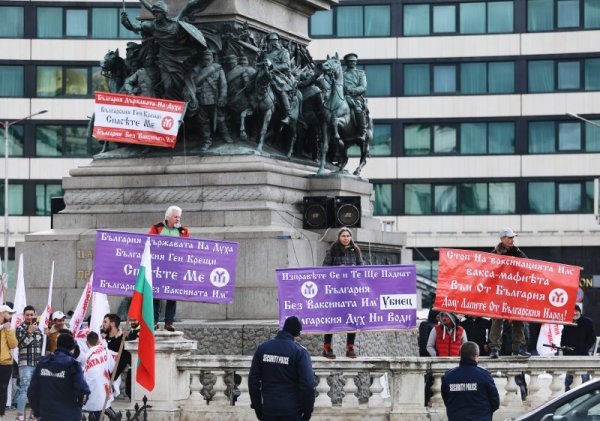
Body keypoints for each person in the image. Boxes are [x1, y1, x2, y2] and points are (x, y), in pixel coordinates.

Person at [248, 316, 314, 421]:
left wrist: (257, 407)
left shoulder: (263, 348)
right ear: (297, 333)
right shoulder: (299, 352)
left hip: (269, 410)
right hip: (292, 412)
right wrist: (307, 412)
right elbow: (308, 385)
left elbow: (253, 381)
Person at [27, 333, 90, 421]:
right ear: (72, 348)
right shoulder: (73, 365)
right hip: (69, 415)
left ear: (58, 344)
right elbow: (83, 391)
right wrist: (78, 407)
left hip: (46, 415)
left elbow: (32, 392)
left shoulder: (43, 363)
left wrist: (37, 411)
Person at [322, 227, 363, 359]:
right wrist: (337, 270)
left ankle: (350, 347)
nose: (346, 238)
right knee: (332, 318)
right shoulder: (332, 250)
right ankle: (327, 347)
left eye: (348, 236)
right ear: (339, 237)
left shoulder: (355, 250)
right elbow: (325, 269)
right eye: (343, 236)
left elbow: (361, 268)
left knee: (352, 318)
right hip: (335, 291)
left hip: (350, 291)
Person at [489, 228, 530, 359]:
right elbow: (488, 270)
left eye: (513, 237)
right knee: (497, 319)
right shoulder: (495, 253)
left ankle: (518, 347)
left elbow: (529, 265)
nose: (512, 240)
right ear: (502, 239)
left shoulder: (518, 252)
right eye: (509, 237)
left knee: (519, 319)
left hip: (515, 292)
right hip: (500, 291)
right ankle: (494, 348)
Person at [149, 205, 189, 331]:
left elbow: (188, 246)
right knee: (156, 294)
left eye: (179, 217)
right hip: (158, 266)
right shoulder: (157, 228)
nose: (178, 219)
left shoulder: (183, 231)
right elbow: (149, 242)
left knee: (172, 294)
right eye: (176, 217)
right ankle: (154, 321)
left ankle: (169, 321)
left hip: (174, 267)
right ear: (168, 217)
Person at [187, 49, 233, 151]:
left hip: (214, 99)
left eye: (208, 58)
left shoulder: (218, 69)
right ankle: (207, 140)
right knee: (203, 122)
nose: (206, 60)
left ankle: (226, 136)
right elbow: (192, 84)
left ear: (212, 59)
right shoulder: (197, 70)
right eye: (205, 59)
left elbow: (223, 85)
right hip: (201, 100)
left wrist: (223, 97)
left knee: (220, 119)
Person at [441, 341, 499, 421]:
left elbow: (446, 400)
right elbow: (495, 402)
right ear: (475, 357)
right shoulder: (485, 375)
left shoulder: (448, 376)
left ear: (460, 355)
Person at [16, 305, 43, 421]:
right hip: (25, 364)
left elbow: (41, 345)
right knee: (24, 390)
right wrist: (29, 332)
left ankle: (33, 415)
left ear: (35, 315)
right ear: (23, 315)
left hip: (37, 363)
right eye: (27, 315)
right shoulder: (20, 328)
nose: (29, 317)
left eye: (31, 315)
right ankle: (20, 416)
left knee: (36, 390)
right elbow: (21, 344)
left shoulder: (38, 328)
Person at [82, 331, 118, 421]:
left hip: (95, 387)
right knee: (103, 405)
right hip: (104, 384)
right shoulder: (104, 350)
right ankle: (113, 416)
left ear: (87, 343)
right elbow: (112, 365)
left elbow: (87, 374)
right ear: (98, 341)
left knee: (96, 410)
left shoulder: (87, 356)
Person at [561, 305, 596, 391]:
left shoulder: (587, 322)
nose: (575, 312)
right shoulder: (567, 322)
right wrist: (564, 349)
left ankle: (587, 394)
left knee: (585, 378)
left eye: (576, 310)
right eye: (573, 311)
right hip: (569, 355)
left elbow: (592, 338)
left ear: (580, 311)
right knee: (568, 379)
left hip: (583, 355)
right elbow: (563, 338)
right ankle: (566, 396)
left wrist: (585, 347)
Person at [264, 32, 296, 124]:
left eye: (275, 40)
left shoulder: (283, 52)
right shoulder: (265, 53)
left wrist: (272, 66)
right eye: (271, 41)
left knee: (281, 91)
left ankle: (288, 115)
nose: (273, 43)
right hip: (265, 74)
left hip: (279, 76)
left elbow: (286, 65)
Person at [342, 53, 368, 142]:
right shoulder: (342, 74)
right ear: (346, 62)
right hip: (343, 97)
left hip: (356, 97)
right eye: (350, 61)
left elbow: (363, 87)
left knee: (358, 109)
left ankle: (362, 132)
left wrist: (352, 90)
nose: (352, 63)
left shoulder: (361, 73)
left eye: (354, 61)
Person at [0, 304, 16, 421]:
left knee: (2, 389)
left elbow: (14, 344)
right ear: (2, 313)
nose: (10, 316)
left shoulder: (8, 327)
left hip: (5, 364)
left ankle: (0, 414)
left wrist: (9, 330)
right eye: (9, 313)